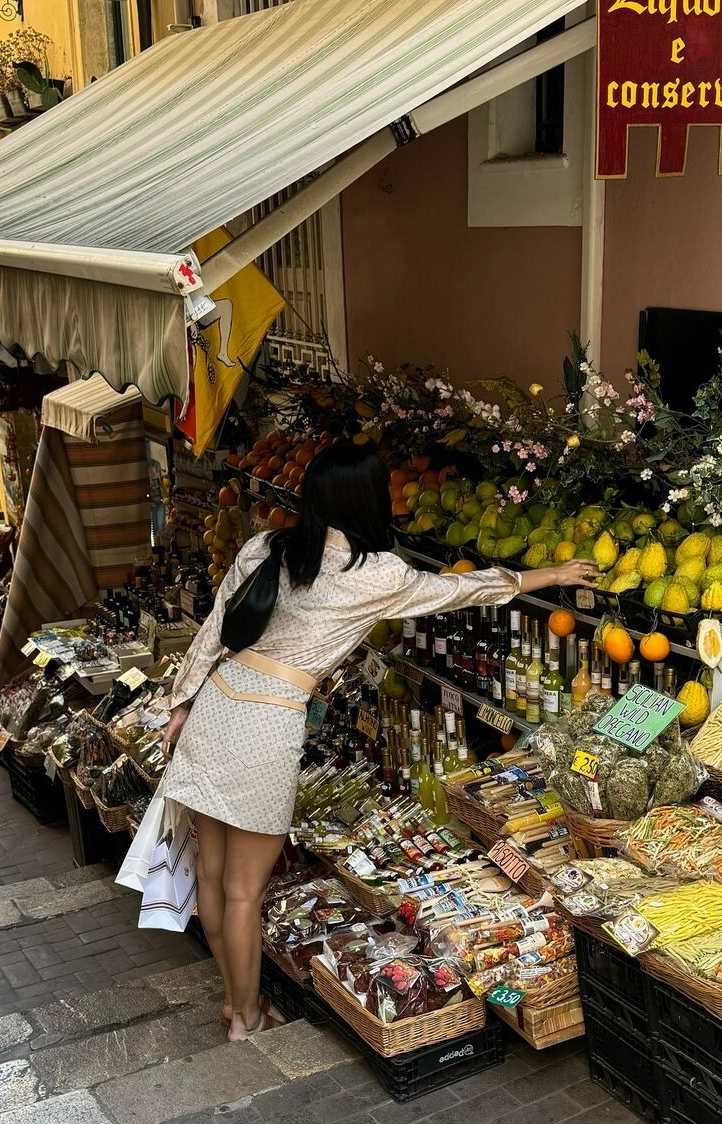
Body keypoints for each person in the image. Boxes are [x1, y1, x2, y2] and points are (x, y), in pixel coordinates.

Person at [159, 442, 597, 1040]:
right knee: (244, 892)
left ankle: (236, 1005)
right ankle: (247, 1019)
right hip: (269, 721)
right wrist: (550, 575)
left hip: (217, 702)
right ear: (368, 501)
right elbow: (460, 589)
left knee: (212, 878)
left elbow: (214, 627)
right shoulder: (375, 573)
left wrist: (181, 703)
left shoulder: (265, 547)